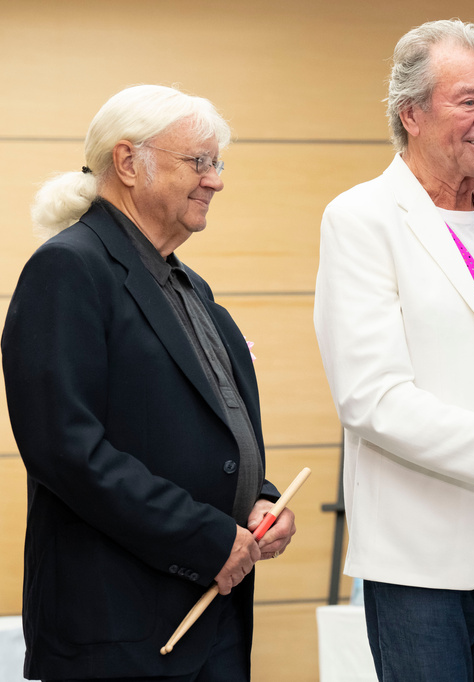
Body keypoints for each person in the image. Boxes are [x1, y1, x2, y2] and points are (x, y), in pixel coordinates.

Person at [2, 84, 296, 682]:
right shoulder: (68, 268)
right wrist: (204, 538)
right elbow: (67, 450)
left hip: (212, 619)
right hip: (118, 625)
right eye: (200, 161)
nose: (215, 180)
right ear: (129, 162)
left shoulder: (190, 286)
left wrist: (260, 499)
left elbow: (205, 429)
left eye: (218, 163)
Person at [313, 19, 474, 682]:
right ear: (412, 114)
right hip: (419, 557)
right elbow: (371, 396)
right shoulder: (360, 219)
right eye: (468, 101)